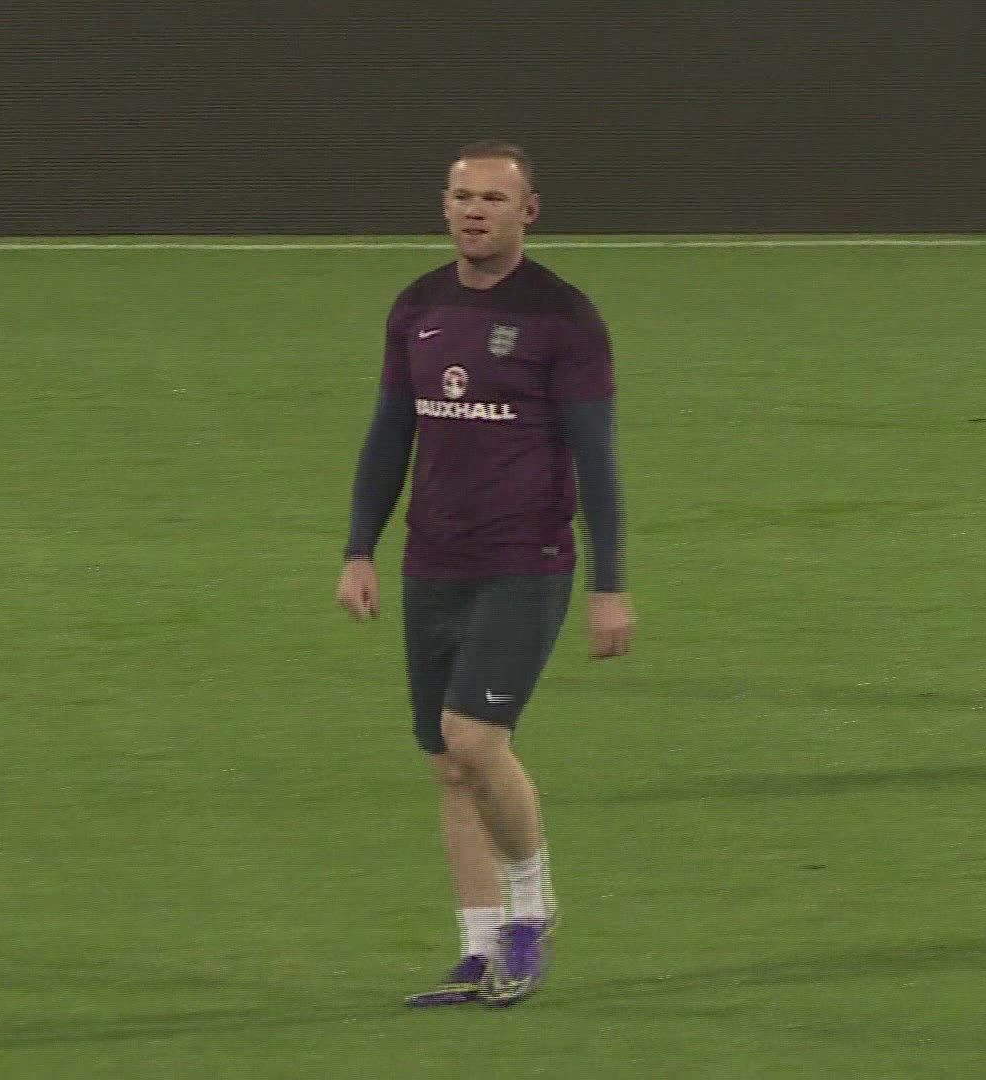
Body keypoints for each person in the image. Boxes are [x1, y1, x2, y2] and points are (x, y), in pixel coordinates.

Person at [335, 140, 634, 1008]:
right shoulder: (418, 306)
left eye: (494, 199)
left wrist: (610, 585)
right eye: (462, 196)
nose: (474, 211)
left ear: (528, 212)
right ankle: (475, 950)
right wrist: (359, 548)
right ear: (444, 205)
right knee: (447, 764)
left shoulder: (563, 319)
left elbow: (597, 460)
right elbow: (391, 432)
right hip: (434, 560)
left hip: (525, 562)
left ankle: (530, 910)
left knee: (474, 738)